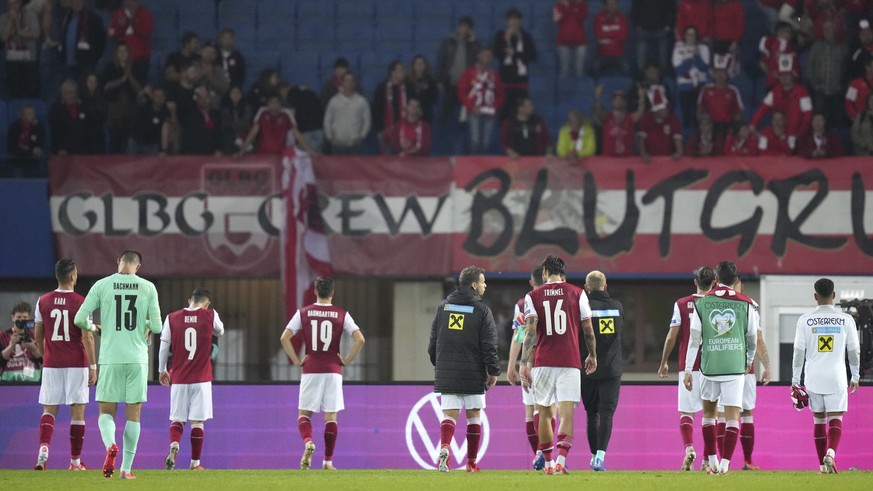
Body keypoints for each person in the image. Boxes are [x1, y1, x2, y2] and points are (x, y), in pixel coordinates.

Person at [74, 250, 162, 479]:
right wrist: (144, 325)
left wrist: (96, 328)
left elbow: (79, 319)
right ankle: (126, 469)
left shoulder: (102, 285)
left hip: (111, 357)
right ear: (138, 267)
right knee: (133, 414)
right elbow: (158, 326)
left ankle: (111, 444)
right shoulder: (148, 287)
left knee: (106, 411)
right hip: (137, 359)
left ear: (118, 263)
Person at [520, 255, 597, 475]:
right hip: (569, 362)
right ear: (563, 272)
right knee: (566, 415)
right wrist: (592, 355)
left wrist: (525, 362)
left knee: (544, 413)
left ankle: (548, 463)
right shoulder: (578, 293)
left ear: (544, 271)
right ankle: (562, 460)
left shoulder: (532, 296)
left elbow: (531, 331)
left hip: (543, 362)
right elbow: (588, 329)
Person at [281, 277, 366, 471]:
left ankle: (308, 441)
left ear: (315, 291)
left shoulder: (304, 313)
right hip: (333, 370)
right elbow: (360, 339)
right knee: (331, 417)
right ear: (332, 293)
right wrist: (346, 359)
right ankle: (327, 462)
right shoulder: (341, 314)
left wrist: (295, 360)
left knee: (304, 414)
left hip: (311, 368)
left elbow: (284, 337)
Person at [682, 260, 758, 475]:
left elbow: (694, 339)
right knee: (733, 415)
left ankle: (712, 461)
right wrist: (748, 361)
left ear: (716, 279)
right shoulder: (747, 303)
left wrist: (689, 369)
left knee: (709, 414)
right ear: (736, 280)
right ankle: (725, 465)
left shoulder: (703, 303)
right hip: (735, 366)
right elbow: (752, 338)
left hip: (709, 365)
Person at [428, 266, 499, 472]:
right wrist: (493, 370)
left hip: (448, 371)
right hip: (473, 372)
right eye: (483, 282)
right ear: (474, 285)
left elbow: (433, 341)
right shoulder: (482, 310)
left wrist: (439, 364)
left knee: (449, 414)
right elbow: (489, 345)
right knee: (474, 416)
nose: (485, 285)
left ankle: (444, 448)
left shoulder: (444, 307)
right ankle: (471, 463)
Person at [792, 278, 861, 474]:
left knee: (819, 420)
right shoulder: (846, 320)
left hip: (813, 377)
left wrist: (795, 381)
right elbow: (854, 351)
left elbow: (798, 352)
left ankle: (822, 466)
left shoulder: (805, 320)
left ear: (815, 296)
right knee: (836, 417)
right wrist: (855, 376)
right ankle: (830, 453)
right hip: (836, 376)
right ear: (834, 295)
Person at [32, 259, 96, 471]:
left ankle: (43, 448)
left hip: (52, 364)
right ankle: (75, 462)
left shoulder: (42, 301)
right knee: (77, 412)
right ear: (73, 276)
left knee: (49, 409)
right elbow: (88, 338)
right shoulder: (81, 302)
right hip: (76, 363)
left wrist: (46, 356)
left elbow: (37, 336)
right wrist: (93, 367)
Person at [159, 288, 224, 471]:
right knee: (197, 421)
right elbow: (221, 331)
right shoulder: (210, 315)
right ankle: (195, 463)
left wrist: (162, 369)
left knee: (177, 419)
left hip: (178, 377)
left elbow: (164, 344)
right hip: (201, 379)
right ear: (207, 303)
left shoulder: (172, 317)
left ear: (190, 301)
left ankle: (174, 444)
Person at [658, 266, 717, 471]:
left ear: (695, 282)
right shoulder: (717, 304)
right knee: (711, 415)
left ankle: (689, 448)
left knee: (687, 412)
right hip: (714, 366)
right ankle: (709, 460)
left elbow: (672, 336)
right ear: (714, 282)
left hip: (688, 366)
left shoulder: (682, 304)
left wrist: (664, 361)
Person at [714, 273, 771, 471]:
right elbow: (757, 338)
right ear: (740, 285)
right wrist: (767, 366)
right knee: (742, 411)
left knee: (725, 412)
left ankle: (728, 461)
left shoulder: (711, 302)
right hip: (744, 367)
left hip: (720, 365)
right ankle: (744, 460)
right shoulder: (749, 304)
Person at [506, 266, 550, 470]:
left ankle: (539, 453)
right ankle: (546, 454)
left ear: (532, 282)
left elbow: (520, 335)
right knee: (548, 410)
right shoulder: (559, 298)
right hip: (551, 361)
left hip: (529, 361)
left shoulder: (524, 303)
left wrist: (512, 366)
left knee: (530, 410)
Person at [581, 271, 623, 472]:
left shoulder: (583, 307)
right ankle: (600, 457)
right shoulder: (617, 307)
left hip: (588, 367)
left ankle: (592, 456)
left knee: (592, 413)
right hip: (611, 368)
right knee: (607, 413)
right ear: (605, 286)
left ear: (586, 288)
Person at [749, 55, 812, 150]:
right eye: (782, 75)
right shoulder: (775, 92)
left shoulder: (802, 92)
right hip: (777, 135)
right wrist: (753, 124)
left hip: (796, 136)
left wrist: (800, 134)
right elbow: (762, 109)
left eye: (787, 74)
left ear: (793, 75)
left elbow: (807, 116)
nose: (784, 77)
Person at [457, 46, 505, 154]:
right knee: (475, 140)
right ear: (479, 56)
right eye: (485, 55)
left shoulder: (494, 75)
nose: (488, 58)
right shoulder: (469, 73)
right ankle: (474, 165)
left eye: (490, 56)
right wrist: (471, 106)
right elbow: (462, 92)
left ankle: (483, 165)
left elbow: (500, 94)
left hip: (489, 112)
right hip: (474, 111)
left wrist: (494, 107)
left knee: (486, 142)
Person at [493, 8, 537, 119]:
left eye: (516, 19)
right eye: (511, 20)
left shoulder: (526, 37)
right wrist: (506, 39)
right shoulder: (500, 35)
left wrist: (516, 53)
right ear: (507, 21)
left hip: (521, 82)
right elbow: (496, 53)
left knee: (521, 114)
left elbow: (533, 56)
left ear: (520, 21)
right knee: (504, 115)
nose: (513, 22)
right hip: (505, 80)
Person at [436, 17, 480, 123]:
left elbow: (479, 59)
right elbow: (441, 61)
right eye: (462, 26)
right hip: (450, 82)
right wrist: (440, 80)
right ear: (458, 27)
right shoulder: (448, 42)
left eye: (467, 27)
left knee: (465, 117)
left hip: (467, 85)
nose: (464, 29)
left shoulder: (474, 44)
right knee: (444, 113)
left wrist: (473, 41)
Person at [242, 94, 317, 156]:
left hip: (280, 156)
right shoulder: (262, 115)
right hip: (263, 155)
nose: (274, 105)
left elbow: (297, 134)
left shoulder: (285, 116)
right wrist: (242, 151)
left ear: (280, 104)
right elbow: (252, 134)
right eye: (271, 103)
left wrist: (310, 150)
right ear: (268, 105)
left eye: (277, 102)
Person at [101, 42, 143, 154]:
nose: (123, 54)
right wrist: (122, 80)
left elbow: (140, 90)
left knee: (130, 141)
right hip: (115, 108)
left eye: (125, 51)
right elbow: (105, 86)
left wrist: (130, 77)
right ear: (116, 53)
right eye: (120, 51)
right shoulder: (110, 67)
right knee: (115, 140)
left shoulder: (135, 67)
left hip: (131, 107)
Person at [806, 20, 848, 127]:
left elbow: (846, 69)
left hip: (837, 90)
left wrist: (842, 86)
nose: (827, 31)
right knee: (819, 116)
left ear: (835, 30)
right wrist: (815, 83)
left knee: (836, 119)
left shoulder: (843, 48)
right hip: (820, 89)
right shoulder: (816, 47)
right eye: (825, 29)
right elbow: (809, 66)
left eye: (830, 29)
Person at [57, 0, 107, 82]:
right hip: (67, 64)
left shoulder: (93, 18)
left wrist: (92, 59)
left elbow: (101, 41)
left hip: (85, 65)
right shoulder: (66, 17)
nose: (76, 3)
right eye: (74, 1)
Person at [0, 0, 41, 98]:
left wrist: (17, 32)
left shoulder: (30, 15)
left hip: (28, 59)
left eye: (14, 3)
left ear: (19, 3)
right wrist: (10, 20)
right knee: (14, 91)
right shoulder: (3, 18)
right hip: (11, 59)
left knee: (31, 89)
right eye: (9, 4)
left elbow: (36, 33)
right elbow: (4, 37)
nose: (12, 6)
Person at [323, 71, 371, 155]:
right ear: (342, 82)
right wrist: (330, 137)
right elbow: (327, 120)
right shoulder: (334, 101)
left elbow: (367, 121)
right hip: (337, 145)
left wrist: (361, 136)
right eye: (346, 81)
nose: (349, 83)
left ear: (355, 83)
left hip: (355, 145)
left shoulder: (362, 101)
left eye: (351, 81)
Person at [672, 25, 710, 127]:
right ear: (685, 35)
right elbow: (679, 70)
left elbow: (704, 67)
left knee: (698, 116)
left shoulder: (703, 48)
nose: (691, 37)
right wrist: (691, 59)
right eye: (689, 34)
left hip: (700, 86)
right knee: (686, 116)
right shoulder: (678, 49)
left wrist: (697, 56)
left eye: (693, 34)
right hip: (684, 86)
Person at [372, 61, 414, 154]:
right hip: (386, 130)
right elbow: (376, 110)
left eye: (403, 70)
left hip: (405, 130)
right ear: (392, 72)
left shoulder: (409, 88)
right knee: (387, 161)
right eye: (400, 70)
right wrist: (379, 130)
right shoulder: (382, 88)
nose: (404, 72)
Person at [697, 58, 744, 141]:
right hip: (711, 124)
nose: (720, 75)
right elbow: (700, 108)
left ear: (727, 74)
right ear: (714, 74)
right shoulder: (706, 89)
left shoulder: (733, 90)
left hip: (727, 124)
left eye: (722, 72)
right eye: (717, 72)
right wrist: (704, 120)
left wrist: (734, 124)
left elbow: (739, 111)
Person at [107, 0, 152, 84]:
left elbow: (145, 32)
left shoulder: (145, 14)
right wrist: (120, 26)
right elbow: (111, 33)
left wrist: (133, 20)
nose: (131, 3)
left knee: (138, 86)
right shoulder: (118, 14)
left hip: (139, 59)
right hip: (121, 59)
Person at [593, 85, 645, 157]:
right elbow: (598, 112)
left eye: (621, 99)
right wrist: (597, 98)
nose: (618, 101)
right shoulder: (607, 116)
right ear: (612, 101)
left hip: (626, 160)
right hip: (608, 160)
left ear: (625, 102)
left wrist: (642, 98)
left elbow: (640, 113)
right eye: (616, 99)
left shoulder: (630, 117)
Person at [636, 86, 683, 162]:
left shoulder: (673, 120)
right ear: (656, 111)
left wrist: (679, 153)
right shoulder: (646, 120)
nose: (667, 110)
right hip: (650, 160)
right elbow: (641, 140)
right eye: (664, 109)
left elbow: (677, 139)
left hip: (668, 159)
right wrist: (643, 154)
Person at [630, 0, 676, 74]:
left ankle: (662, 80)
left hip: (661, 29)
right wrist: (636, 24)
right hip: (644, 30)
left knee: (663, 58)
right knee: (641, 57)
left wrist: (669, 25)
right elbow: (635, 9)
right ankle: (642, 77)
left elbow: (672, 9)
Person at [1, 302, 41, 382]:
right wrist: (11, 345)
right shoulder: (3, 336)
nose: (21, 320)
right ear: (13, 317)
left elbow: (44, 360)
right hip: (8, 382)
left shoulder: (34, 336)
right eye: (18, 317)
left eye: (24, 317)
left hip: (32, 381)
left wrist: (34, 349)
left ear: (29, 318)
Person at [6, 104, 46, 178]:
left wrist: (26, 148)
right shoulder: (14, 127)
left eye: (33, 114)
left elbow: (39, 146)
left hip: (33, 161)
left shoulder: (38, 127)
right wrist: (30, 151)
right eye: (29, 114)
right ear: (22, 116)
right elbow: (12, 148)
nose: (32, 116)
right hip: (17, 160)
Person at [129, 86, 170, 155]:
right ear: (152, 97)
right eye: (156, 96)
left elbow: (165, 130)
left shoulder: (165, 112)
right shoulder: (145, 105)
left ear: (164, 98)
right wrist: (143, 92)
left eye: (161, 96)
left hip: (152, 145)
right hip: (136, 142)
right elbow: (139, 100)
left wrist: (164, 150)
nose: (159, 98)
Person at [49, 79, 86, 155]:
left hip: (81, 151)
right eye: (68, 92)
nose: (72, 95)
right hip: (63, 152)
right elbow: (56, 131)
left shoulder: (82, 107)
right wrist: (60, 148)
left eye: (74, 93)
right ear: (62, 93)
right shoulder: (56, 109)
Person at [592, 0, 629, 76]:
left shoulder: (622, 17)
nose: (612, 6)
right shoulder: (599, 17)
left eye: (614, 4)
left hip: (619, 54)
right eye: (610, 4)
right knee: (594, 71)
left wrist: (607, 37)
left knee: (627, 72)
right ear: (605, 5)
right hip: (603, 54)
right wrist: (615, 35)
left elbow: (623, 35)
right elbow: (599, 34)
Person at [554, 0, 588, 78]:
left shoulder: (582, 4)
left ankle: (579, 89)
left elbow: (583, 17)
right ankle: (562, 89)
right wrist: (565, 7)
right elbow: (556, 19)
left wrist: (579, 5)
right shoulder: (559, 5)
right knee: (564, 69)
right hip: (563, 41)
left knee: (579, 70)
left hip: (580, 40)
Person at [219, 86, 253, 156]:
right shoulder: (224, 110)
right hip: (230, 140)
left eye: (238, 92)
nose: (236, 95)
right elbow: (226, 125)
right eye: (233, 93)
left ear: (241, 95)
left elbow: (246, 124)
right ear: (229, 95)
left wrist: (235, 125)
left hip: (245, 137)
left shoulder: (247, 108)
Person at [408, 55, 438, 123]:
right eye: (417, 64)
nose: (419, 66)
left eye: (421, 63)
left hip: (426, 114)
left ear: (425, 66)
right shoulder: (408, 81)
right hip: (411, 114)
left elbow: (434, 97)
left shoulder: (431, 81)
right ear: (413, 66)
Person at [844, 58, 873, 122]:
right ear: (867, 68)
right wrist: (855, 116)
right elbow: (848, 102)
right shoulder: (855, 83)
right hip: (860, 119)